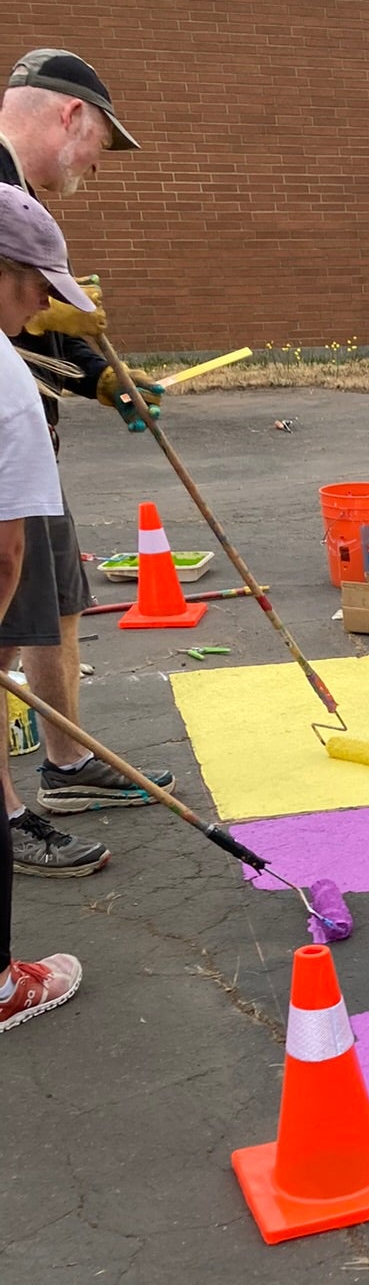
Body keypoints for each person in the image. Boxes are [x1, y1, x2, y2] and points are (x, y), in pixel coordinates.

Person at [0, 48, 173, 880]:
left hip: (31, 442)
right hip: (6, 448)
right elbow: (23, 325)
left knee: (57, 599)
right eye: (102, 139)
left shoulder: (19, 195)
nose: (99, 162)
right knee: (1, 626)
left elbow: (45, 322)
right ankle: (3, 816)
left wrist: (104, 377)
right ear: (69, 116)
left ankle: (67, 766)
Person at [0, 187, 96, 1029]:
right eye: (37, 289)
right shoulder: (8, 384)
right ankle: (3, 984)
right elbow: (7, 552)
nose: (42, 311)